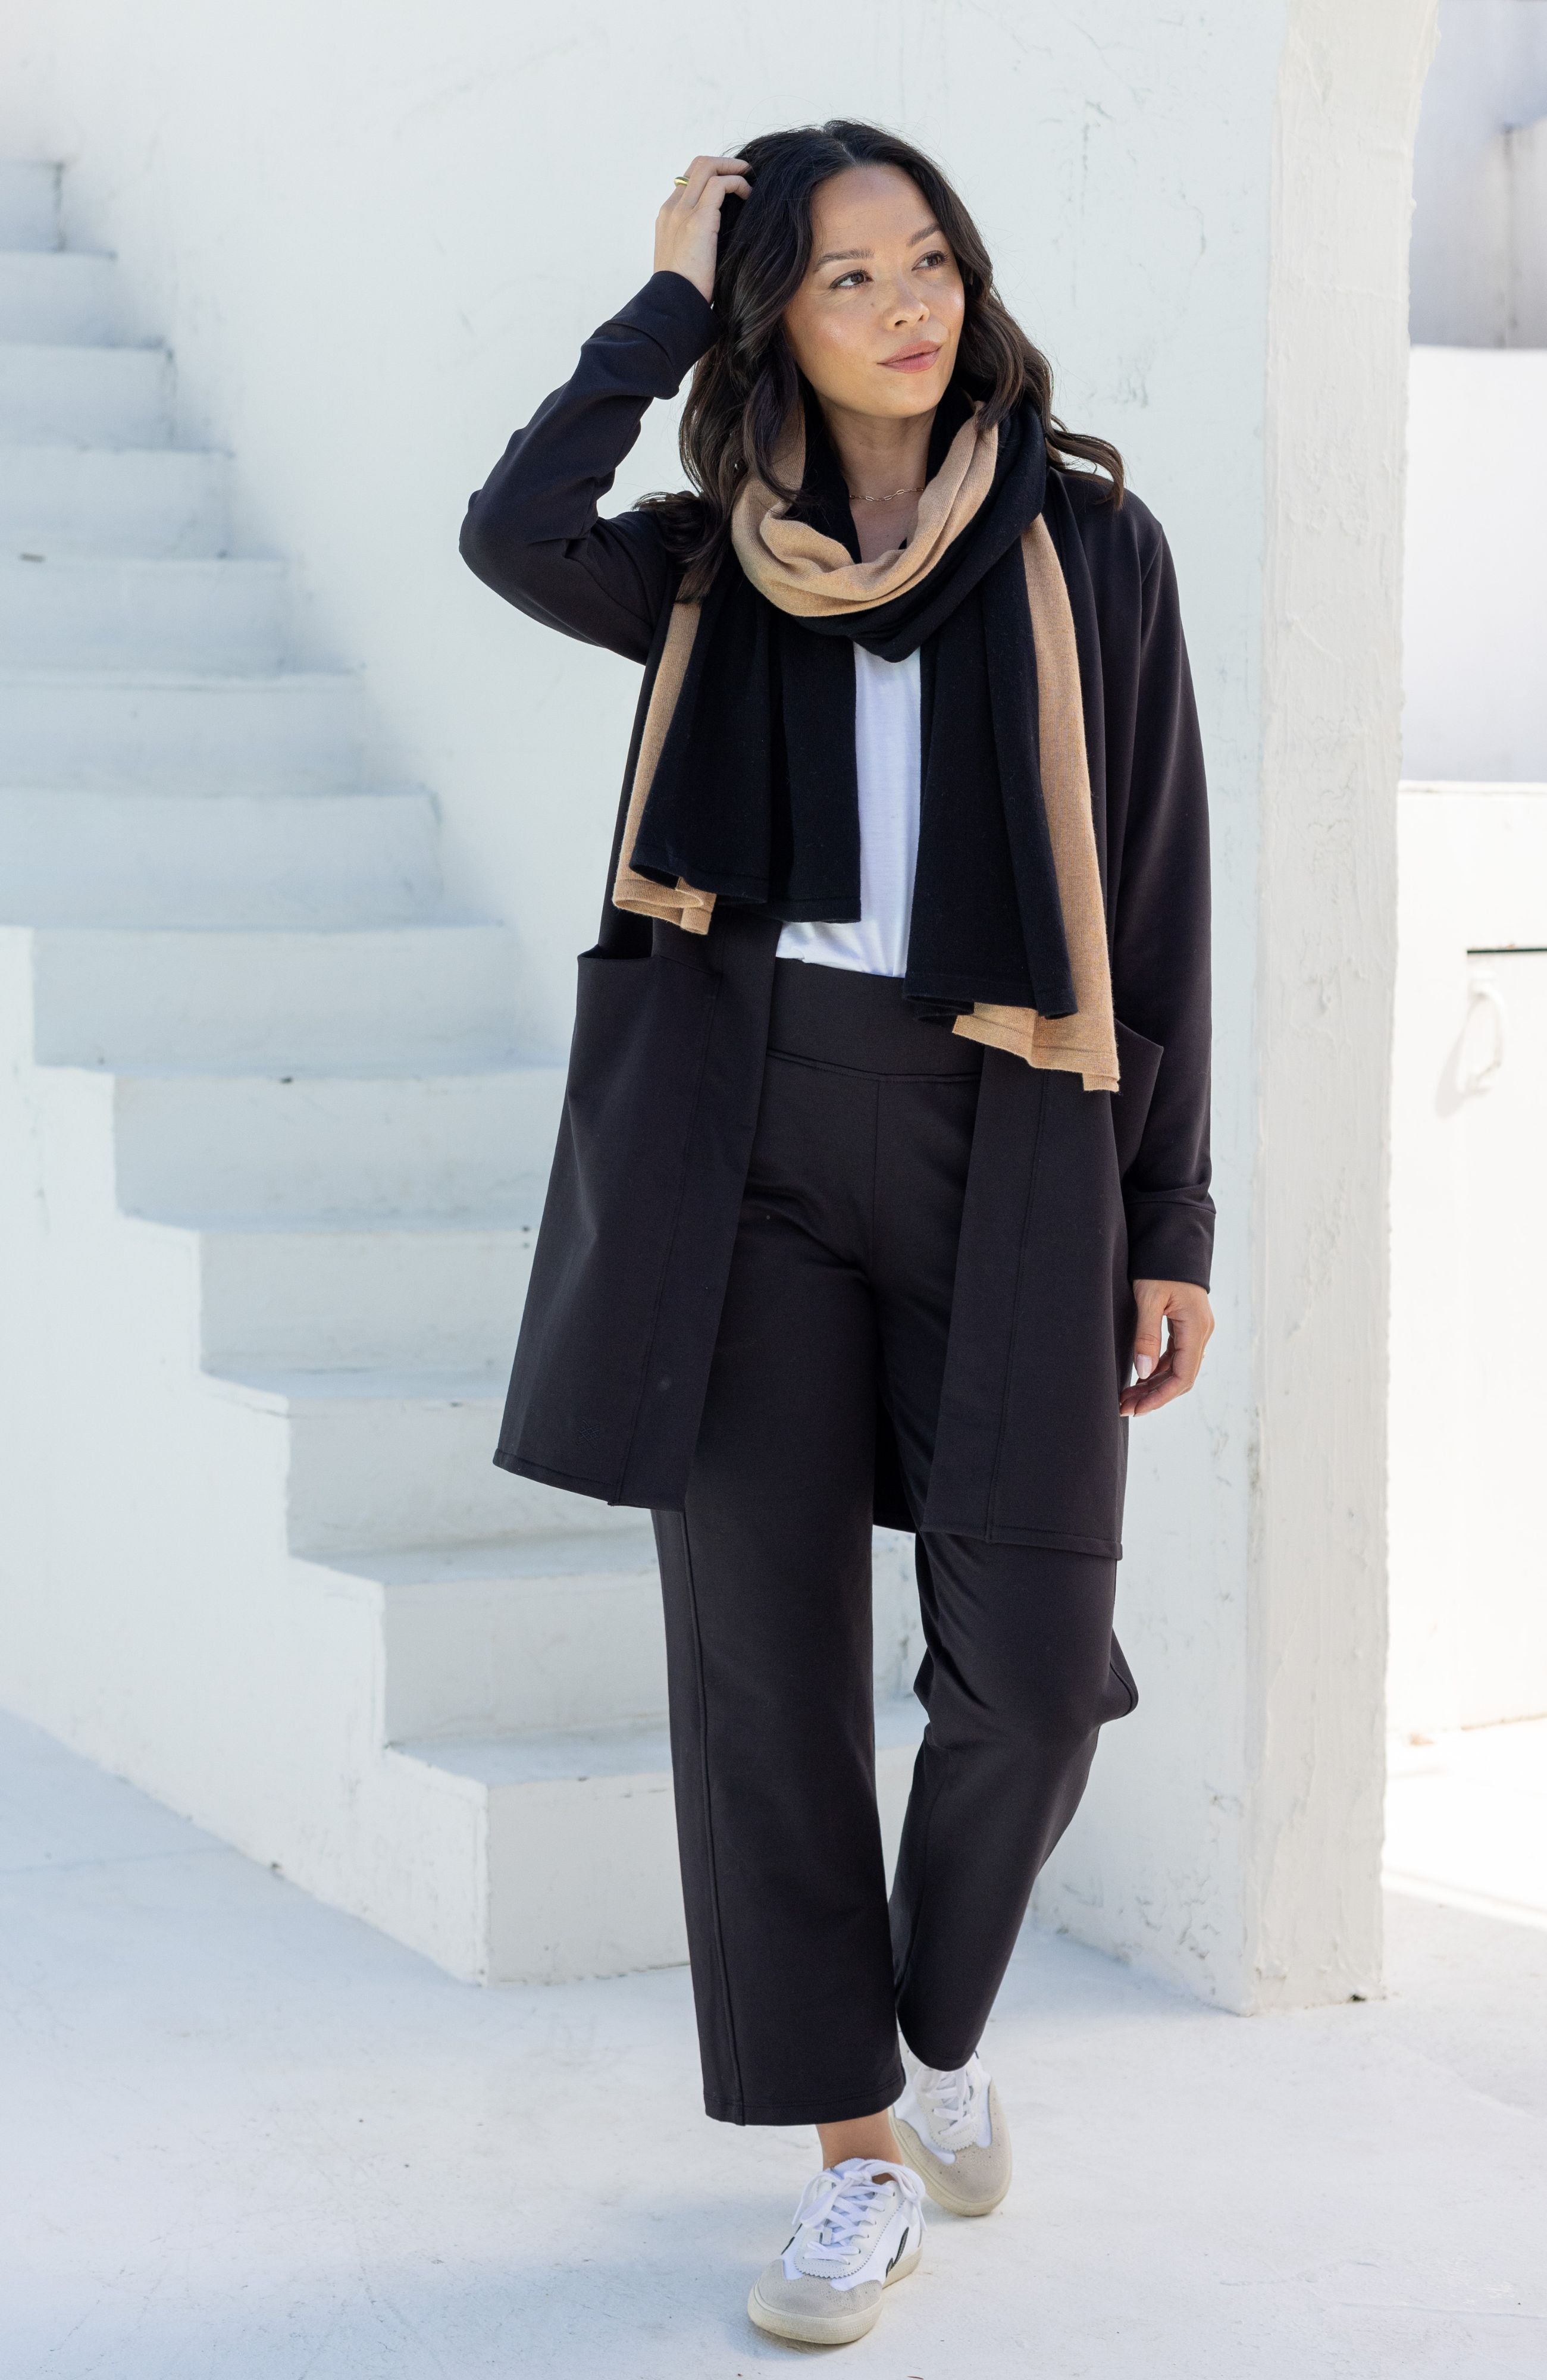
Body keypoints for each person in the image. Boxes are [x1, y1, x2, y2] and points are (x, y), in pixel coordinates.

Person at [460, 118, 1214, 2349]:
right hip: (748, 1136)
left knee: (1038, 1671)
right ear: (769, 318)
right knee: (764, 1681)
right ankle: (855, 2157)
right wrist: (657, 303)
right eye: (844, 276)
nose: (909, 306)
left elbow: (1157, 888)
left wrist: (1172, 1219)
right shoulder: (708, 561)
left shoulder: (1090, 541)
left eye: (931, 262)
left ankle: (939, 2024)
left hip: (1018, 1132)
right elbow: (510, 533)